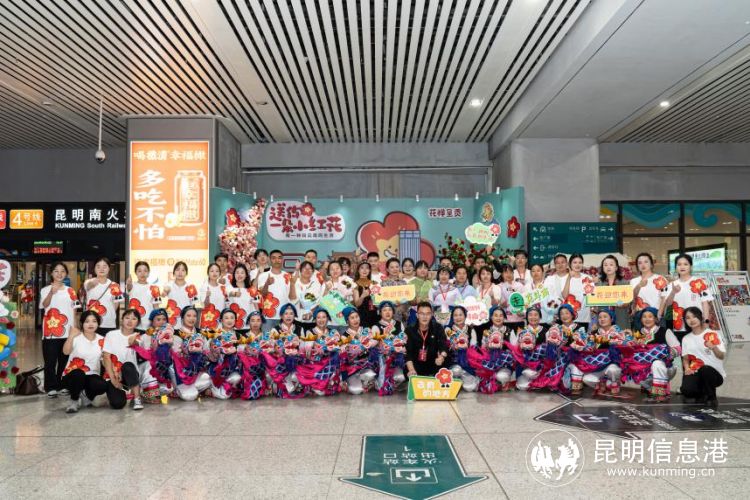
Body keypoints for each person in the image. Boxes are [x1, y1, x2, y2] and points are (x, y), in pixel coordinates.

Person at [40, 261, 81, 398]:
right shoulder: (45, 289)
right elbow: (44, 305)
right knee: (50, 361)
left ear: (66, 274)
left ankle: (63, 384)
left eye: (62, 271)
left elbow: (75, 310)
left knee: (65, 360)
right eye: (56, 271)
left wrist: (75, 327)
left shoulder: (71, 291)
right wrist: (51, 293)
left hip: (67, 331)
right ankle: (51, 386)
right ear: (51, 273)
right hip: (50, 332)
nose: (59, 274)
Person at [629, 307, 680, 403]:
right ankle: (651, 390)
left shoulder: (664, 331)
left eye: (650, 316)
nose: (647, 319)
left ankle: (660, 393)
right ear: (641, 319)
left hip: (665, 367)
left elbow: (678, 349)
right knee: (631, 366)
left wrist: (666, 354)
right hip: (645, 369)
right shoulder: (638, 334)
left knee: (657, 363)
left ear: (656, 319)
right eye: (644, 317)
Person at [60, 311, 107, 413]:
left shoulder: (102, 340)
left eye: (94, 321)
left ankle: (85, 394)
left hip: (92, 374)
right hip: (73, 375)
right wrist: (71, 336)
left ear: (98, 323)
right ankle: (74, 401)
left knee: (102, 385)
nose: (91, 324)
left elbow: (104, 361)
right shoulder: (76, 337)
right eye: (87, 321)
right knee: (79, 374)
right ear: (82, 323)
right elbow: (65, 352)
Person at [680, 307, 725, 408]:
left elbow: (721, 356)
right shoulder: (686, 338)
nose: (691, 320)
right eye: (688, 318)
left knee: (705, 369)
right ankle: (702, 391)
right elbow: (685, 358)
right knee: (687, 391)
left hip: (713, 374)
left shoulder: (713, 334)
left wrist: (714, 348)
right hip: (696, 371)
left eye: (694, 316)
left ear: (700, 317)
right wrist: (687, 369)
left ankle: (711, 397)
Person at [661, 254, 713, 339]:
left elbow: (705, 303)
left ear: (691, 267)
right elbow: (668, 304)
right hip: (679, 325)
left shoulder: (699, 282)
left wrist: (706, 322)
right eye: (679, 264)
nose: (682, 267)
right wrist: (673, 292)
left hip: (697, 324)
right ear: (676, 267)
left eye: (685, 264)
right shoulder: (671, 285)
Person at [102, 308, 144, 410]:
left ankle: (137, 398)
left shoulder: (138, 337)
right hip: (113, 374)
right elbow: (106, 357)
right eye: (127, 318)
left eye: (134, 319)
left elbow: (132, 342)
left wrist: (133, 339)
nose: (130, 321)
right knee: (117, 404)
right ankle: (125, 391)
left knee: (128, 365)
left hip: (130, 373)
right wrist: (113, 379)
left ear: (138, 322)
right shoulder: (111, 335)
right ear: (122, 319)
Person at [405, 302, 449, 376]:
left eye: (428, 314)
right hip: (415, 366)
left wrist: (442, 357)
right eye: (422, 314)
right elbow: (408, 353)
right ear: (417, 315)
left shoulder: (438, 328)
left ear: (432, 315)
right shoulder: (409, 330)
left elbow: (443, 345)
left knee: (444, 369)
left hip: (435, 364)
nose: (425, 317)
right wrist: (411, 370)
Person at [84, 257, 124, 335]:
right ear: (94, 269)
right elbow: (88, 286)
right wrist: (92, 283)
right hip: (91, 322)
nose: (101, 269)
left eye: (104, 266)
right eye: (98, 266)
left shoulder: (115, 285)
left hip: (109, 323)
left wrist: (108, 313)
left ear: (109, 268)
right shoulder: (88, 282)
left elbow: (116, 304)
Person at [257, 250, 296, 329]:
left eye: (279, 258)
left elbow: (292, 297)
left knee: (285, 337)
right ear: (269, 260)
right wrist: (267, 284)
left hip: (285, 316)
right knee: (267, 337)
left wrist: (292, 284)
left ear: (282, 260)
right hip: (268, 317)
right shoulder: (263, 276)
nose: (277, 260)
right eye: (274, 258)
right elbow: (262, 295)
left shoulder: (288, 276)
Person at [630, 253, 669, 325]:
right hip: (640, 316)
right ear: (637, 266)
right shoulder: (633, 281)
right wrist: (639, 286)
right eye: (640, 263)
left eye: (646, 262)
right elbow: (632, 298)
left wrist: (659, 314)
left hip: (656, 315)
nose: (643, 265)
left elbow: (664, 298)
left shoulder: (660, 279)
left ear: (651, 264)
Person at [595, 255, 630, 331]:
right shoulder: (598, 283)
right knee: (603, 337)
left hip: (620, 316)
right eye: (605, 265)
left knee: (620, 337)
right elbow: (593, 301)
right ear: (602, 268)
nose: (608, 267)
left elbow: (628, 301)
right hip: (603, 319)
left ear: (616, 267)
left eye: (611, 264)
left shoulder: (625, 283)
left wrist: (622, 303)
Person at [162, 261, 199, 329]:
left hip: (187, 321)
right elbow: (164, 293)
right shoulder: (169, 284)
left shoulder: (191, 287)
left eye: (183, 270)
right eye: (177, 269)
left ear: (186, 273)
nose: (180, 272)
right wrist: (165, 291)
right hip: (172, 320)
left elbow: (194, 305)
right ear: (174, 272)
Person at [125, 261, 161, 333]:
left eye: (145, 271)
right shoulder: (132, 285)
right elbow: (129, 287)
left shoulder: (154, 288)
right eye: (139, 271)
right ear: (135, 272)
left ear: (148, 273)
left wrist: (158, 322)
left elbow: (156, 307)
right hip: (133, 324)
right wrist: (128, 283)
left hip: (149, 325)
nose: (142, 273)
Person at [561, 254, 592, 330]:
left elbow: (592, 297)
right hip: (569, 318)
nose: (577, 265)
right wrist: (569, 277)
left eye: (580, 262)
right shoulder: (564, 278)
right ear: (570, 264)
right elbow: (565, 296)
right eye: (575, 262)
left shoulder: (588, 278)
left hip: (584, 317)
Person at [228, 263, 258, 335]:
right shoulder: (229, 288)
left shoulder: (252, 290)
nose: (239, 275)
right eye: (237, 272)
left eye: (242, 273)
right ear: (234, 275)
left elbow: (256, 308)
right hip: (232, 327)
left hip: (248, 327)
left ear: (246, 275)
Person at [200, 263, 229, 330]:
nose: (214, 273)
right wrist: (207, 297)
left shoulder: (223, 287)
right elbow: (200, 305)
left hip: (220, 322)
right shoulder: (203, 287)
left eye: (217, 271)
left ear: (219, 273)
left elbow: (226, 305)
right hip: (207, 321)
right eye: (212, 271)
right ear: (208, 273)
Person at [498, 263, 526, 332]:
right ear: (502, 274)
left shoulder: (520, 286)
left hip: (519, 319)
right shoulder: (499, 287)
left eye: (511, 272)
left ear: (513, 273)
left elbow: (525, 301)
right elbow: (499, 303)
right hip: (505, 320)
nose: (509, 274)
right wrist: (501, 304)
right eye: (506, 272)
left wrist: (522, 312)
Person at [352, 261, 379, 327]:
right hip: (362, 316)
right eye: (362, 268)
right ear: (358, 270)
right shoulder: (355, 284)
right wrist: (362, 296)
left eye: (367, 268)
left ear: (369, 270)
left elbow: (379, 299)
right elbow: (357, 304)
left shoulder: (374, 283)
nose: (364, 270)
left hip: (374, 315)